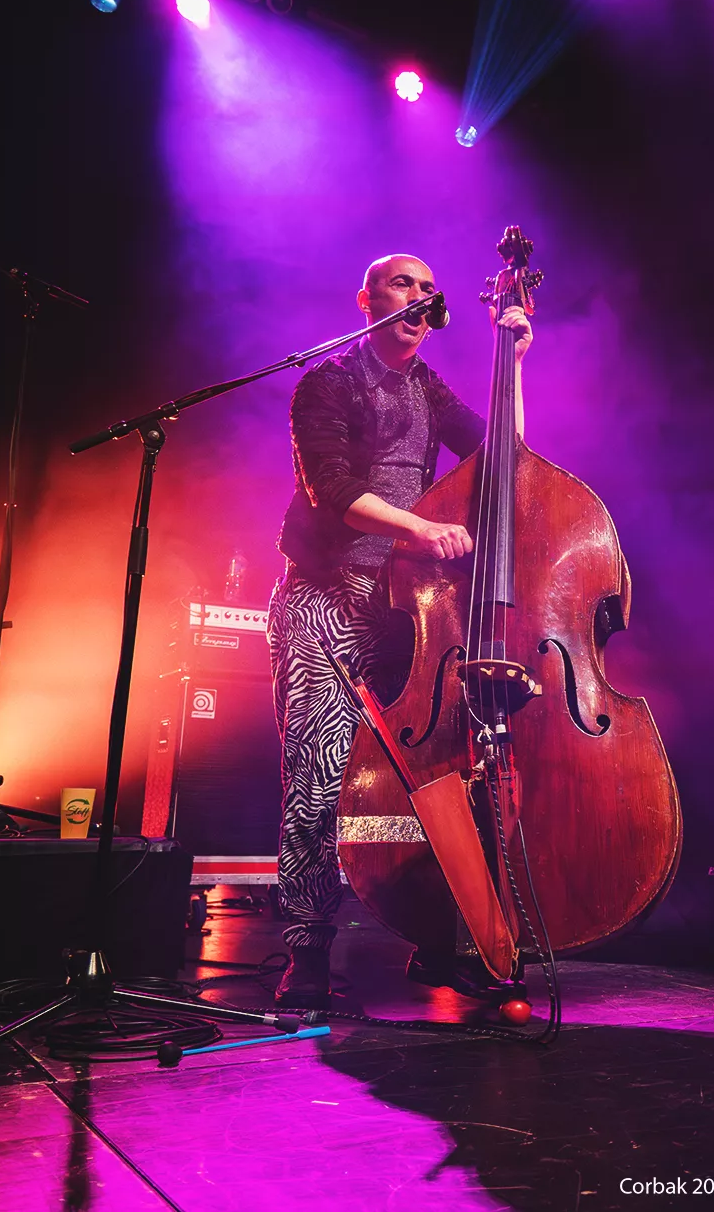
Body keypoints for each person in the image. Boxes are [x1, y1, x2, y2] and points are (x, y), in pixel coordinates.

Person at [269, 253, 532, 1009]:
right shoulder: (328, 381)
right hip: (327, 599)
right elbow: (332, 488)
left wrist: (513, 362)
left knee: (437, 773)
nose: (418, 296)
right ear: (367, 300)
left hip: (405, 609)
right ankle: (306, 950)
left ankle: (439, 943)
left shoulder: (427, 386)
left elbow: (503, 458)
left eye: (426, 288)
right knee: (319, 776)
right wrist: (420, 528)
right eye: (401, 284)